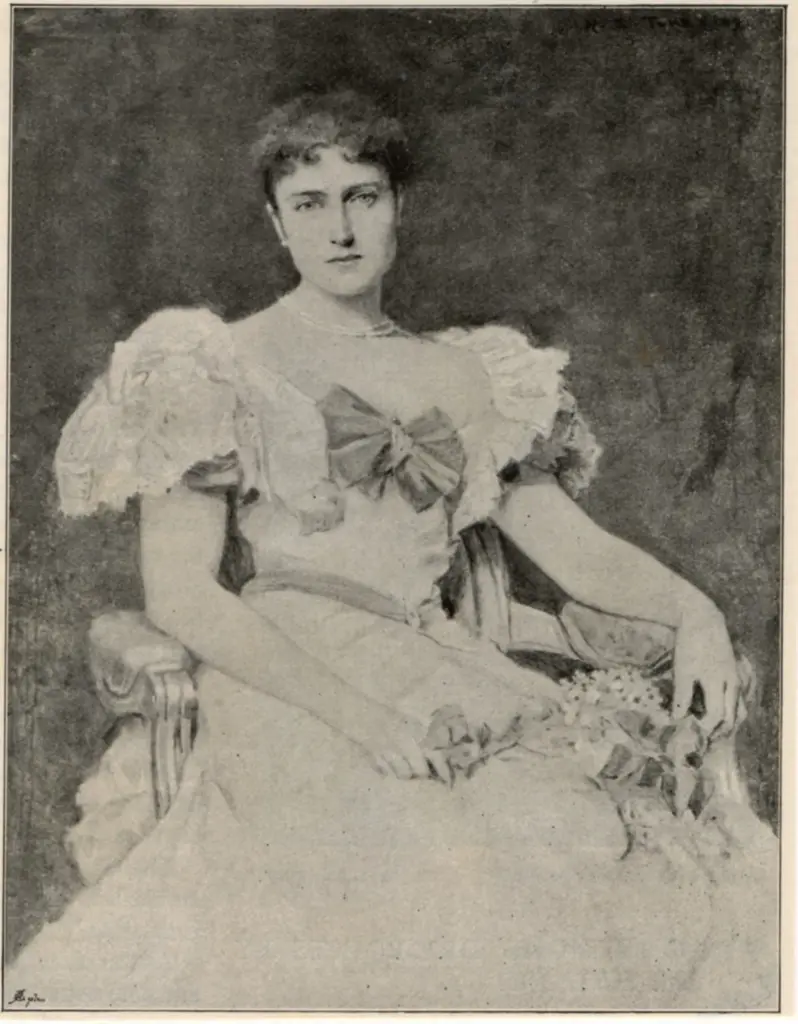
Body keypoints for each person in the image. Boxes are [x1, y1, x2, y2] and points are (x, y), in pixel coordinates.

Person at [11, 89, 778, 1011]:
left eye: (362, 196)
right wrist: (363, 719)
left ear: (397, 206)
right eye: (310, 204)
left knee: (571, 832)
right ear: (276, 223)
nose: (339, 229)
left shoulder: (467, 374)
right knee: (417, 850)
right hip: (287, 677)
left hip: (430, 654)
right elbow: (180, 594)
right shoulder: (216, 365)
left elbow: (573, 549)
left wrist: (698, 613)